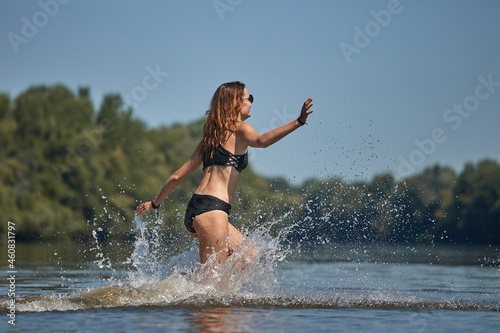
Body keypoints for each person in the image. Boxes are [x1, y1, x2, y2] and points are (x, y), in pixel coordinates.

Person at [135, 81, 313, 273]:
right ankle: (184, 291)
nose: (251, 103)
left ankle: (181, 284)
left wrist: (154, 203)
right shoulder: (241, 128)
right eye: (249, 98)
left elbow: (178, 176)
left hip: (199, 208)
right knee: (211, 287)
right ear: (236, 102)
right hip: (213, 210)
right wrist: (298, 122)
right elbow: (261, 141)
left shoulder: (211, 137)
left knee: (249, 255)